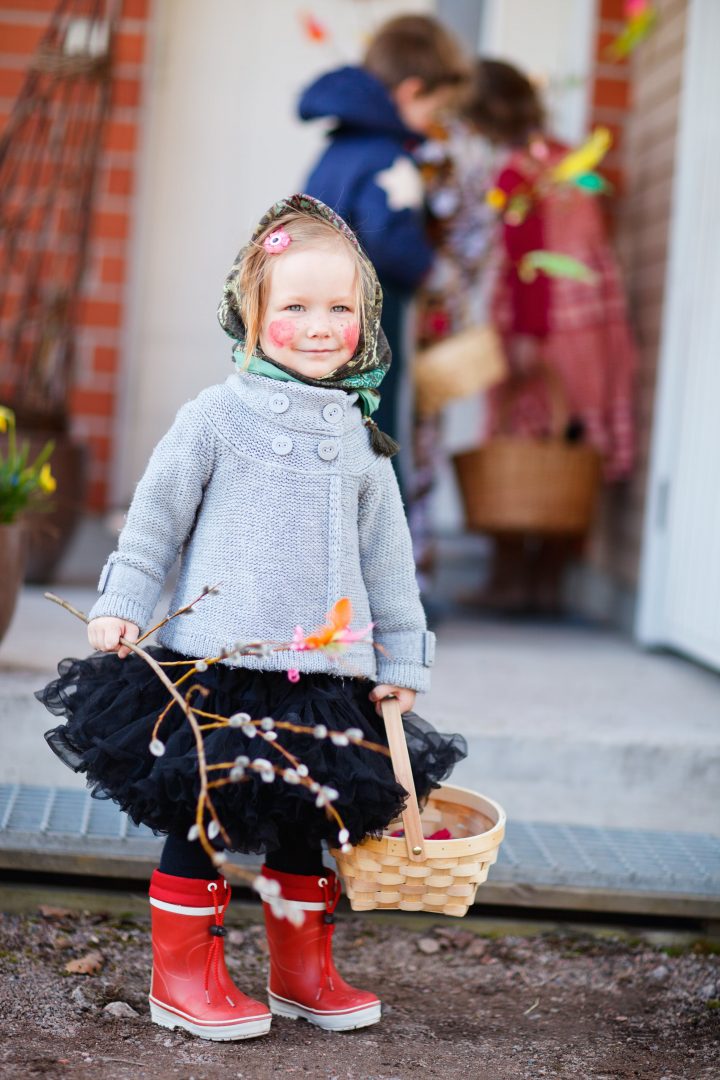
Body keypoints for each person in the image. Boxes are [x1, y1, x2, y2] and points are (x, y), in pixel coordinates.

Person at [36, 195, 465, 1041]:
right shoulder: (216, 417)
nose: (317, 326)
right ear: (252, 314)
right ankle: (183, 975)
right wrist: (123, 602)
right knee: (205, 814)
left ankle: (303, 972)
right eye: (294, 307)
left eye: (339, 308)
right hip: (219, 668)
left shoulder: (362, 439)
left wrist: (400, 661)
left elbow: (388, 561)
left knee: (309, 824)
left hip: (326, 679)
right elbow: (155, 516)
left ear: (366, 320)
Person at [465, 60, 637, 611]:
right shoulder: (565, 158)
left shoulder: (518, 170)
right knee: (572, 447)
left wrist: (525, 333)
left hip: (545, 326)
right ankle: (547, 585)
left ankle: (510, 581)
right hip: (592, 325)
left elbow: (529, 261)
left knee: (520, 441)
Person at [298, 15, 468, 452]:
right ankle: (379, 515)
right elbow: (388, 238)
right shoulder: (390, 158)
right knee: (375, 420)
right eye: (434, 109)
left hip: (317, 310)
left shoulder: (340, 148)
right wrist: (433, 271)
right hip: (371, 314)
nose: (432, 122)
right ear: (411, 91)